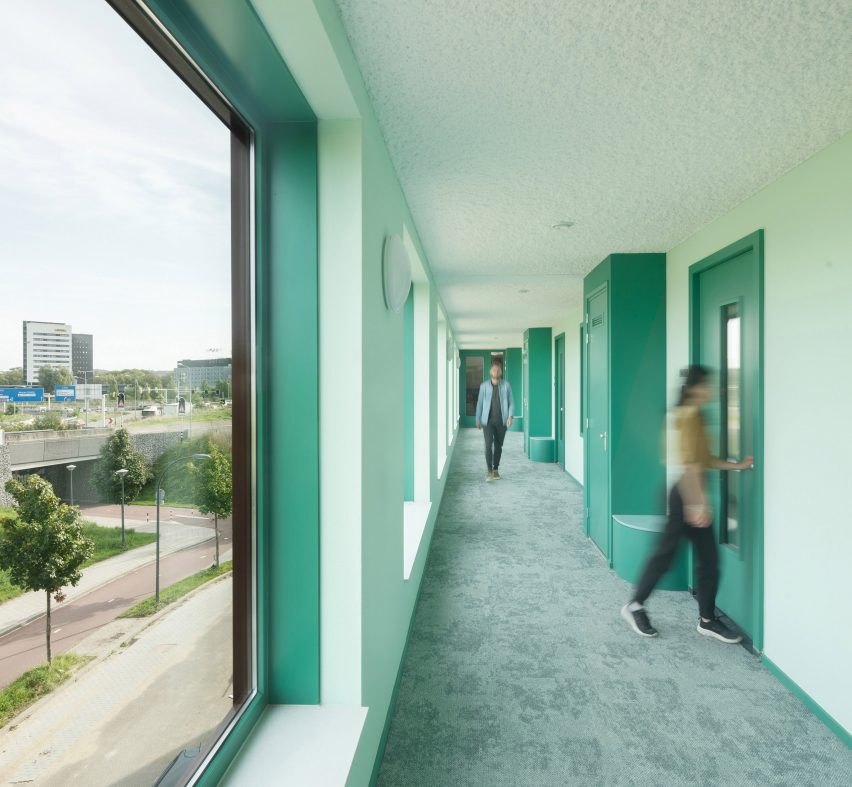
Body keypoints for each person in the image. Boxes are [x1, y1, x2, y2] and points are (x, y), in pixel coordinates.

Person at [621, 365, 753, 643]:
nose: (713, 390)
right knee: (669, 556)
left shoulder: (696, 415)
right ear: (696, 388)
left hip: (689, 492)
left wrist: (737, 465)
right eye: (708, 385)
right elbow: (690, 465)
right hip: (686, 494)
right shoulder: (689, 416)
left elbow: (703, 459)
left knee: (706, 560)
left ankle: (706, 619)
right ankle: (635, 607)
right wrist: (697, 505)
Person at [475, 362, 514, 481]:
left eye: (498, 370)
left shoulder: (506, 385)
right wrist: (477, 418)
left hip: (502, 421)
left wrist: (510, 416)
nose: (496, 372)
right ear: (490, 372)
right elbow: (480, 403)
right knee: (488, 445)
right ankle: (489, 471)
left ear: (501, 372)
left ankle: (496, 469)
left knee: (498, 446)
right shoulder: (484, 386)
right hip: (487, 421)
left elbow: (511, 402)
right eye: (494, 370)